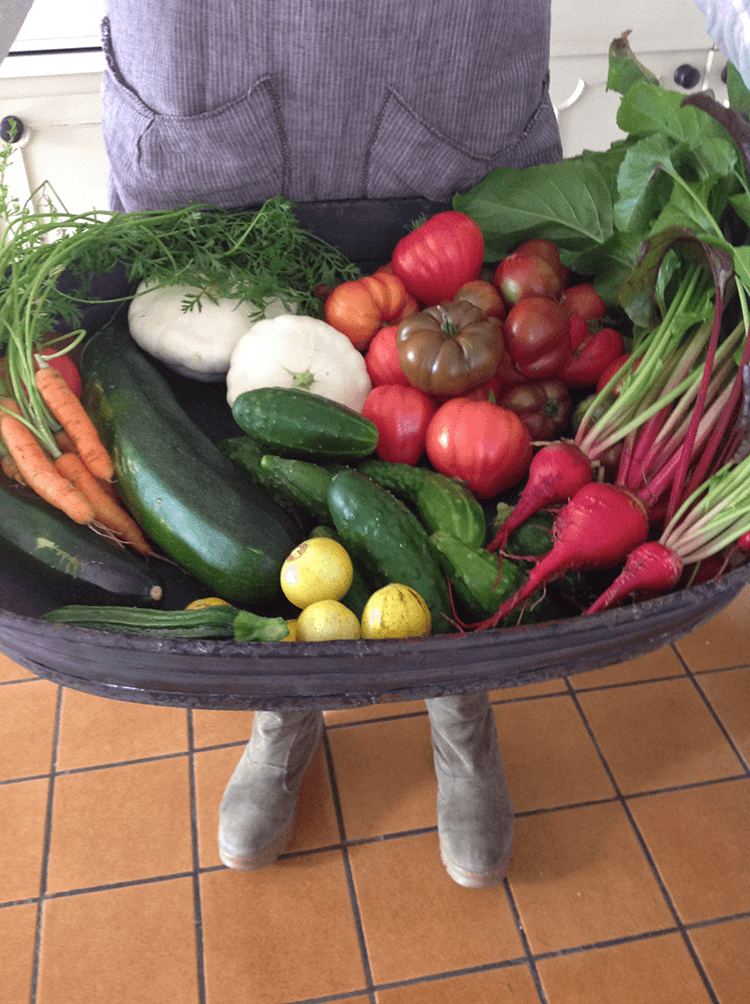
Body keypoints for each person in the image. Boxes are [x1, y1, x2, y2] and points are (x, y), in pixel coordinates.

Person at [1, 0, 749, 889]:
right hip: (204, 105)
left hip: (450, 93)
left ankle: (458, 693)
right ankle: (287, 697)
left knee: (468, 462)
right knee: (228, 454)